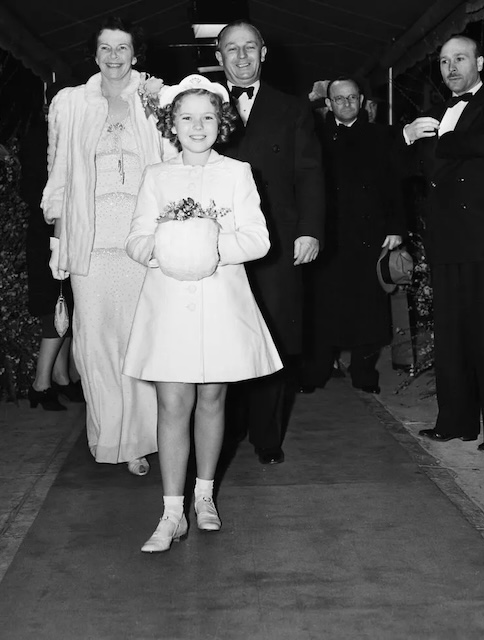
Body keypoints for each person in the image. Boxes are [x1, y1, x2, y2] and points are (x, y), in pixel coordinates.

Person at [123, 75, 283, 553]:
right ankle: (171, 513)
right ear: (171, 123)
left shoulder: (236, 173)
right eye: (187, 118)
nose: (198, 126)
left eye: (208, 117)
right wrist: (168, 247)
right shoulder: (157, 175)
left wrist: (208, 245)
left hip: (220, 298)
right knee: (173, 404)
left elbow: (258, 239)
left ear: (222, 121)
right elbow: (135, 241)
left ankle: (204, 496)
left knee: (212, 399)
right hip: (169, 302)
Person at [42, 16, 169, 475]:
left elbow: (175, 163)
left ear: (135, 54)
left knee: (138, 340)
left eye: (123, 48)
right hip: (89, 240)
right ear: (95, 55)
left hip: (140, 239)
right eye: (106, 49)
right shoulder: (70, 104)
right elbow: (57, 177)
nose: (115, 57)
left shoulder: (156, 99)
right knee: (95, 344)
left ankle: (140, 439)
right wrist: (59, 240)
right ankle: (110, 436)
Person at [214, 21, 325, 465]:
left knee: (274, 338)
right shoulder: (200, 105)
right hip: (217, 243)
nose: (241, 57)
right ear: (219, 57)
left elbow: (310, 173)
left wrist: (310, 229)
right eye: (231, 49)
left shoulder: (291, 108)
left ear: (264, 53)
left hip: (276, 242)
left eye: (249, 48)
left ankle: (267, 437)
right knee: (221, 336)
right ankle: (222, 432)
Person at [403, 35, 484, 455]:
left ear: (479, 61)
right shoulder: (435, 115)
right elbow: (411, 172)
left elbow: (483, 143)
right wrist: (406, 138)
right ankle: (454, 422)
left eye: (460, 58)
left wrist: (436, 136)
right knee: (451, 336)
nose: (452, 68)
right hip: (446, 240)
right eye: (444, 62)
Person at [301, 77, 406, 394]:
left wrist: (396, 227)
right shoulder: (313, 138)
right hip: (328, 236)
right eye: (339, 98)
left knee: (368, 308)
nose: (346, 103)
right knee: (323, 305)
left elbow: (395, 184)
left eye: (352, 97)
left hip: (369, 233)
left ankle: (364, 373)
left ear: (361, 100)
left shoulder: (380, 136)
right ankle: (317, 371)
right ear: (328, 103)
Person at [20, 108, 82, 411]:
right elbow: (34, 190)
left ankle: (60, 377)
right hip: (48, 232)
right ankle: (40, 383)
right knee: (56, 305)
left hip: (68, 230)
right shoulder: (39, 138)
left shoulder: (74, 131)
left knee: (68, 302)